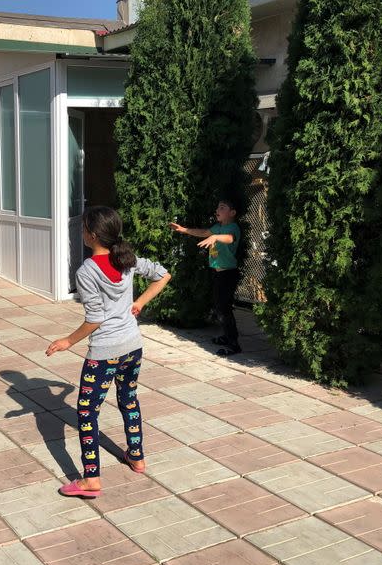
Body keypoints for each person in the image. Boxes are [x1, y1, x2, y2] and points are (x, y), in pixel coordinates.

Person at [47, 206, 170, 498]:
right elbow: (163, 274)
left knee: (87, 414)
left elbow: (95, 319)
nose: (81, 232)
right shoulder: (125, 259)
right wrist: (139, 302)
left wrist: (67, 341)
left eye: (83, 228)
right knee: (128, 399)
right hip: (132, 347)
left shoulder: (87, 271)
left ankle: (91, 480)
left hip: (104, 354)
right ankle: (136, 457)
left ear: (91, 235)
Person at [169, 200, 242, 355]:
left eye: (222, 207)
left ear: (232, 213)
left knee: (224, 309)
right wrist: (184, 230)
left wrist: (215, 238)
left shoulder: (232, 228)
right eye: (217, 207)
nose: (218, 209)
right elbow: (203, 233)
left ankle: (233, 344)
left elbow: (229, 238)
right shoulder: (217, 228)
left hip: (227, 274)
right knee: (220, 307)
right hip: (217, 273)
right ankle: (227, 336)